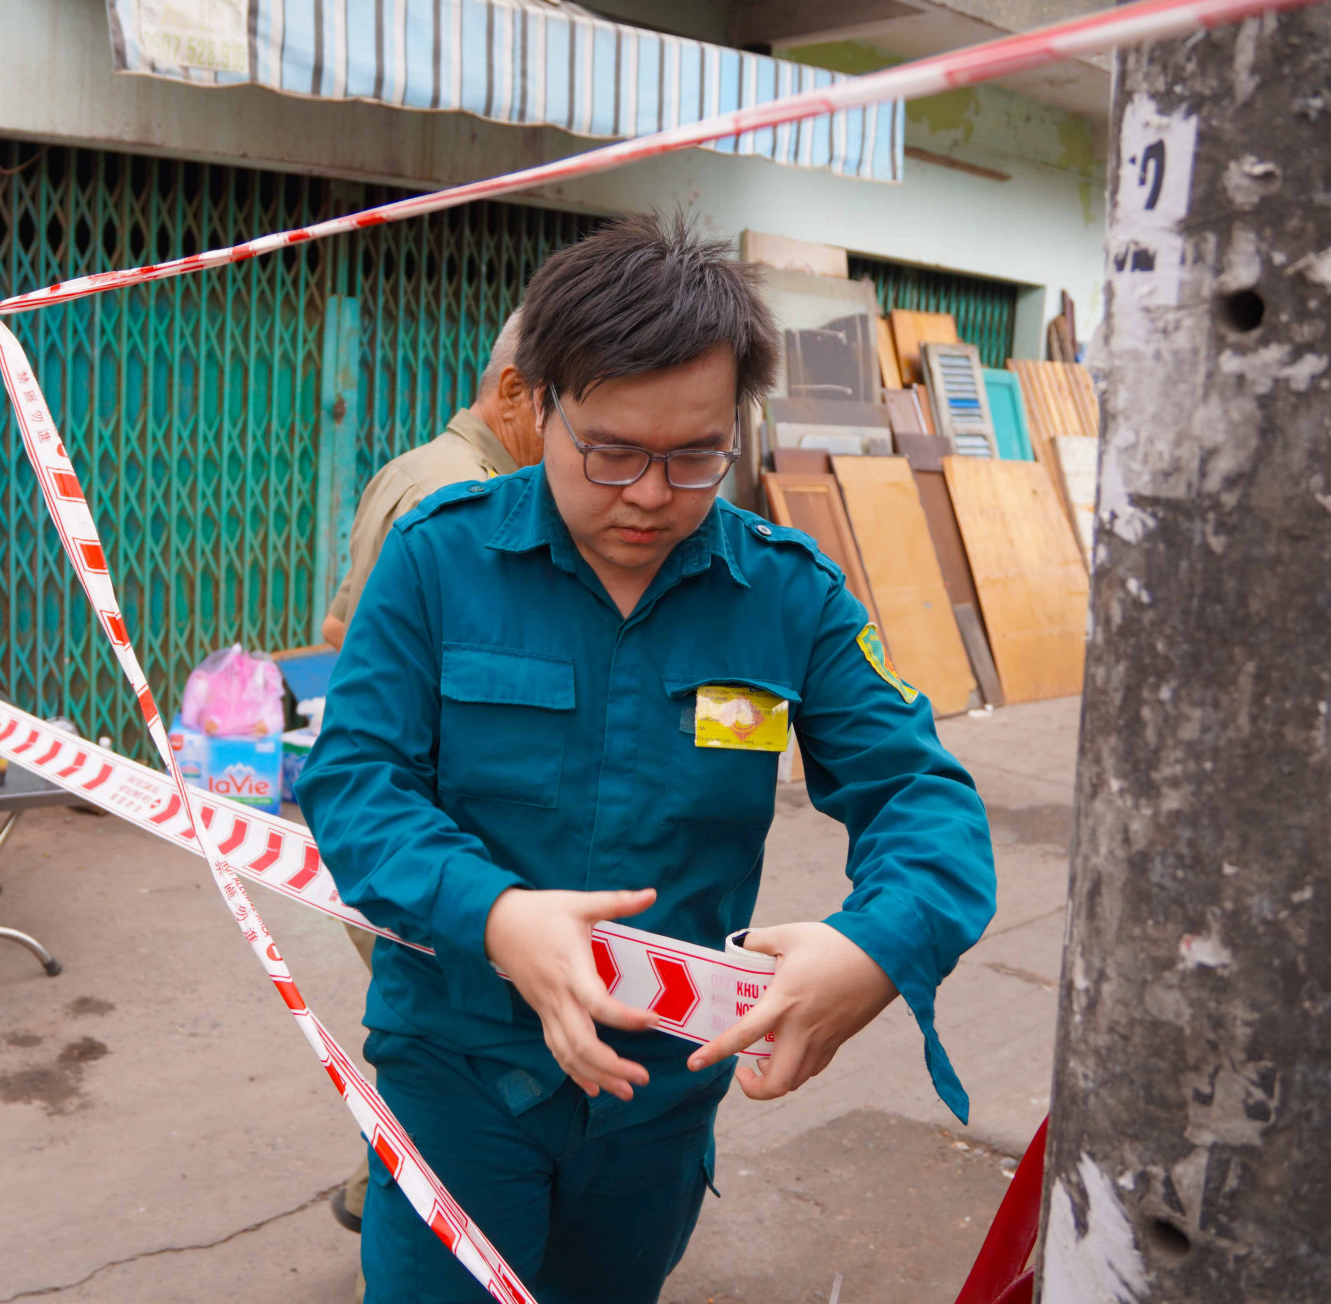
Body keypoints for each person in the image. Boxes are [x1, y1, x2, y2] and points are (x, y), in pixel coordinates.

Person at [296, 213, 995, 1304]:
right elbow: (354, 781)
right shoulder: (439, 559)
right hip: (459, 1070)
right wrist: (494, 914)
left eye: (694, 454)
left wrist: (874, 945)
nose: (649, 495)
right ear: (539, 402)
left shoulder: (786, 595)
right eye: (611, 451)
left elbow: (918, 795)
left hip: (660, 1096)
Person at [322, 314, 541, 1240]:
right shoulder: (464, 497)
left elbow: (341, 633)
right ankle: (413, 1206)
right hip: (435, 846)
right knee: (449, 1049)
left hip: (410, 839)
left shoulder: (418, 468)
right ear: (515, 392)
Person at [321, 314, 542, 649]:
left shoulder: (401, 469)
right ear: (513, 392)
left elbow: (337, 626)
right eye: (557, 407)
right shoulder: (481, 502)